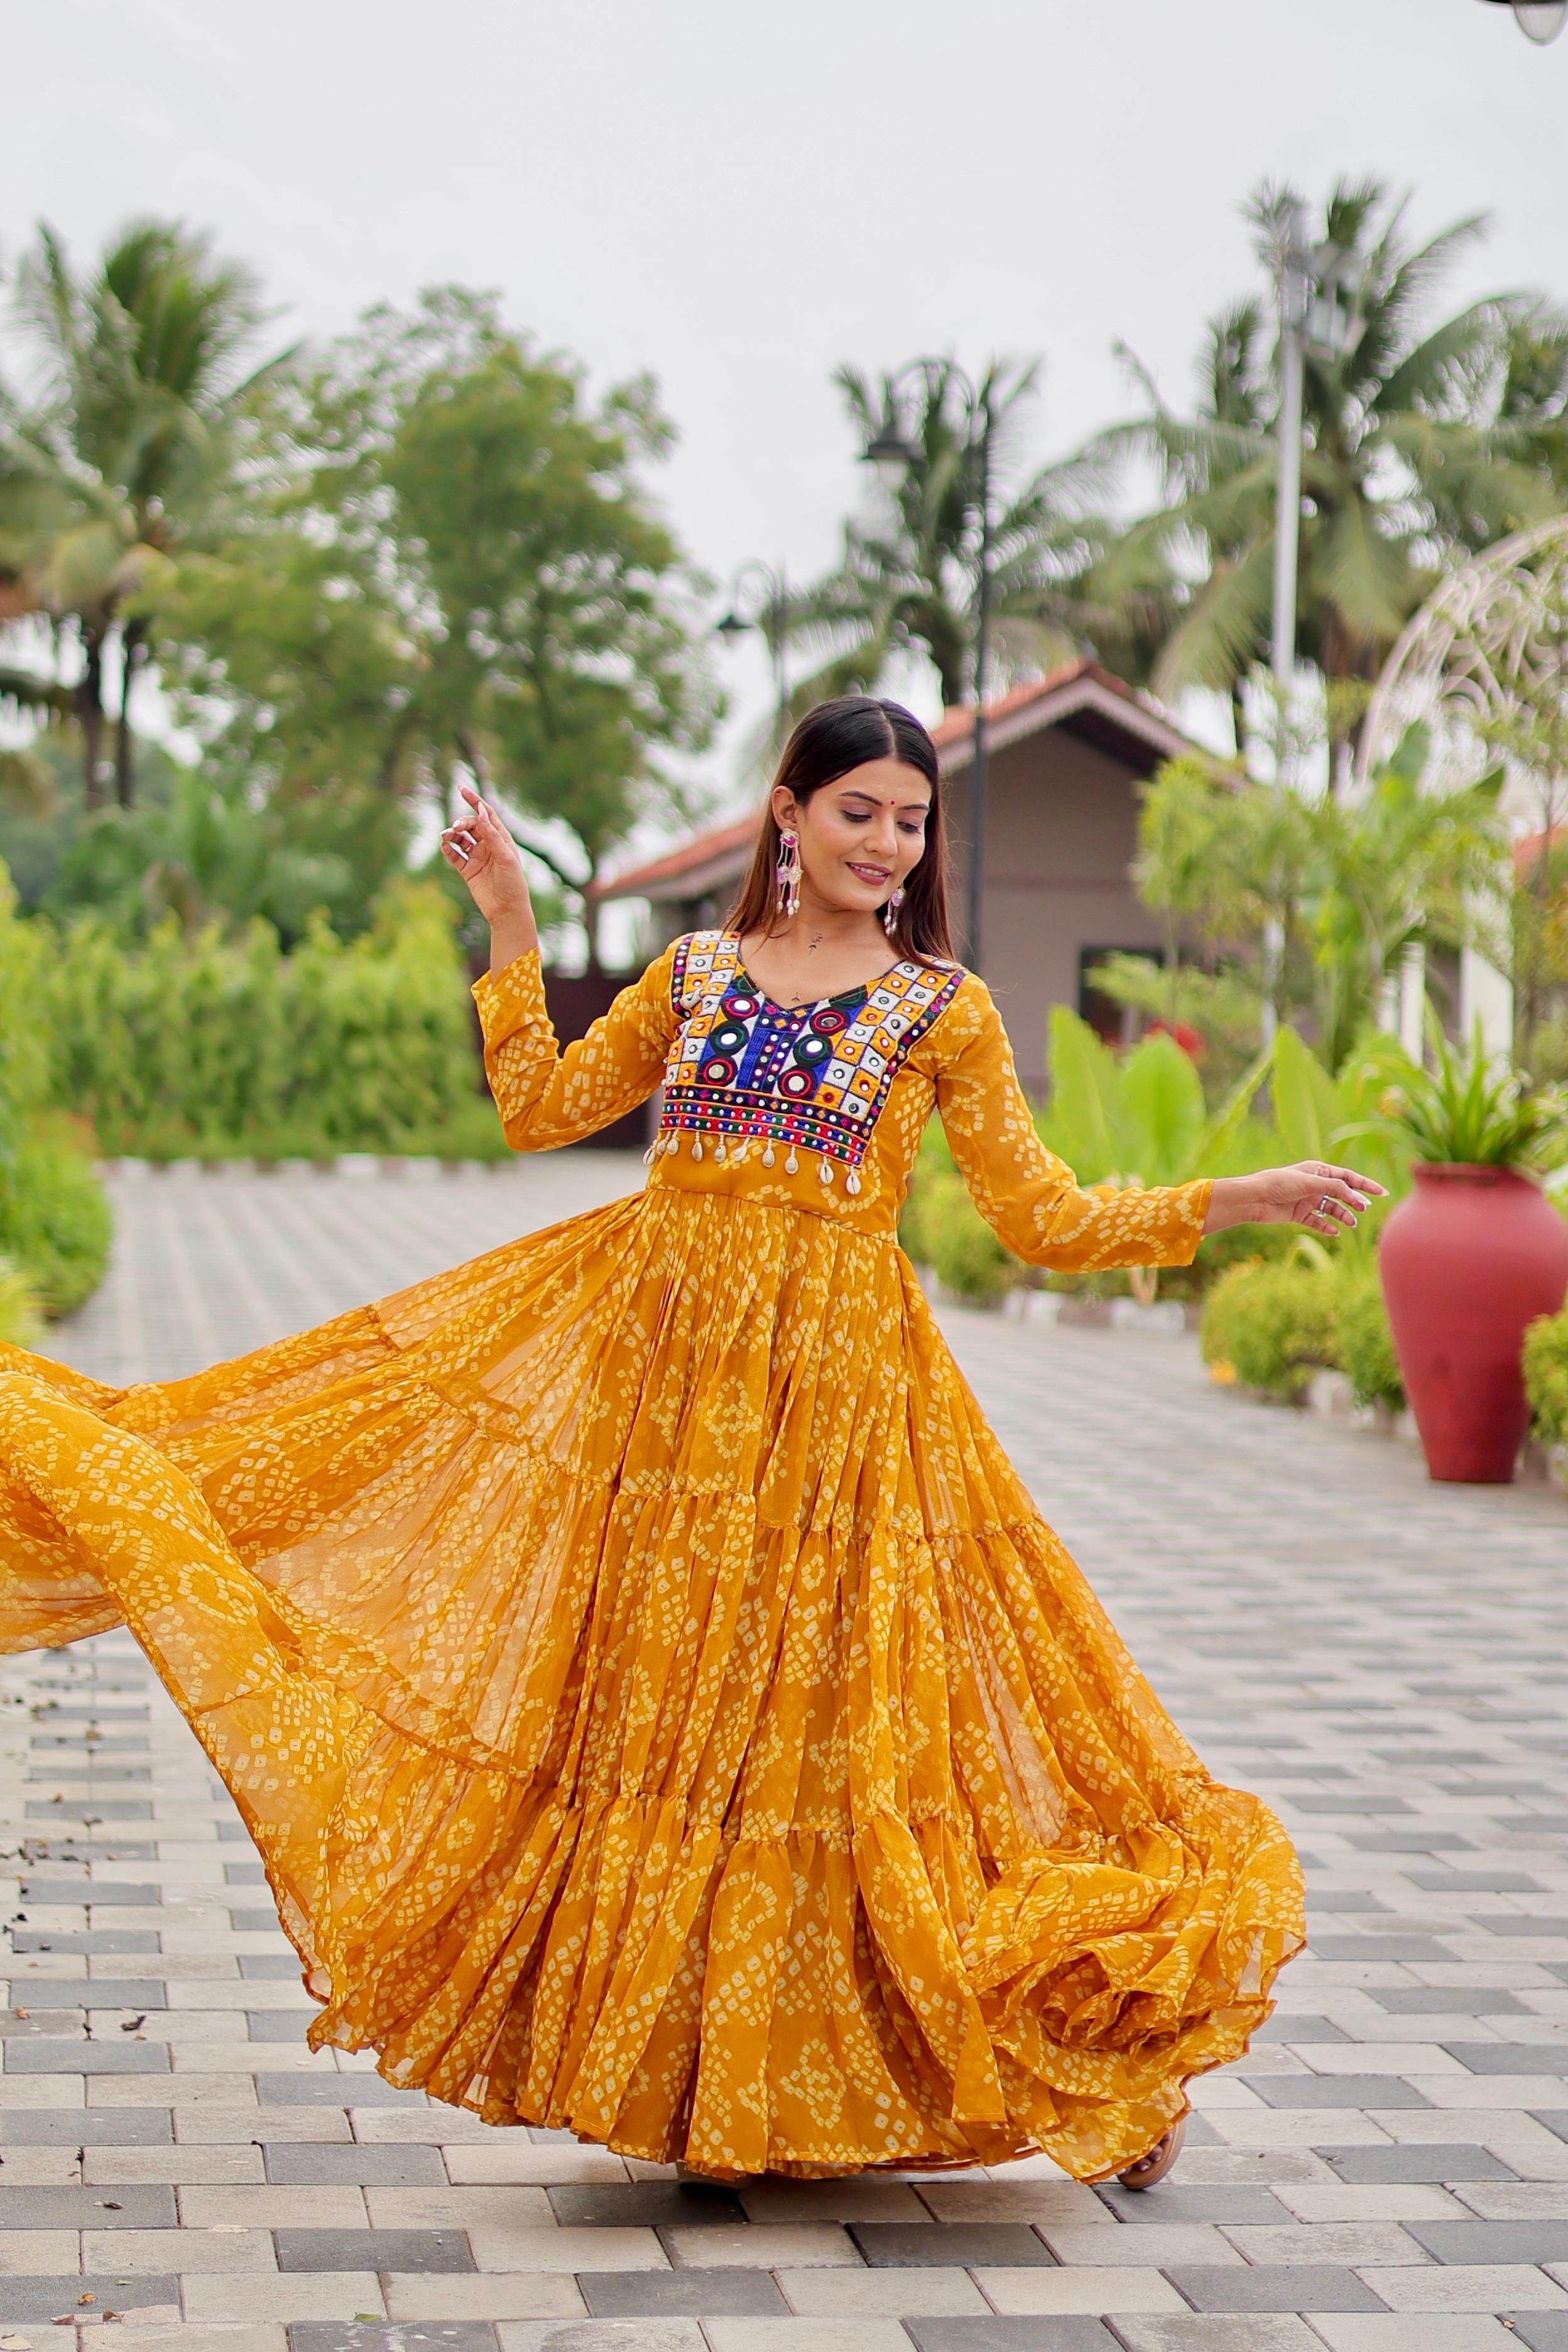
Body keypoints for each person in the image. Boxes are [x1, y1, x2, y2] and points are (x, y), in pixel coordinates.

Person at [0, 695, 1381, 2186]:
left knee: (823, 1756)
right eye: (858, 809)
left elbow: (1042, 1217)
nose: (886, 842)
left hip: (840, 1427)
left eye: (911, 821)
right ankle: (700, 2082)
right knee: (668, 1730)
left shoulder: (941, 1011)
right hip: (667, 1421)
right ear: (787, 814)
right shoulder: (700, 974)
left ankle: (1044, 2067)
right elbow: (541, 1109)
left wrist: (1230, 1198)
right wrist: (512, 916)